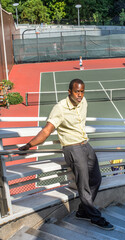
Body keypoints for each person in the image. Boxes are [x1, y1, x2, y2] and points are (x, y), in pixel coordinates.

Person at [19, 79, 114, 230]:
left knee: (96, 179)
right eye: (77, 92)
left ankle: (83, 212)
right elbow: (46, 130)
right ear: (69, 91)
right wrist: (29, 144)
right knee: (84, 185)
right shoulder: (60, 108)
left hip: (85, 144)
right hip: (72, 148)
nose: (80, 95)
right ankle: (95, 217)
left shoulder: (84, 102)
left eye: (82, 91)